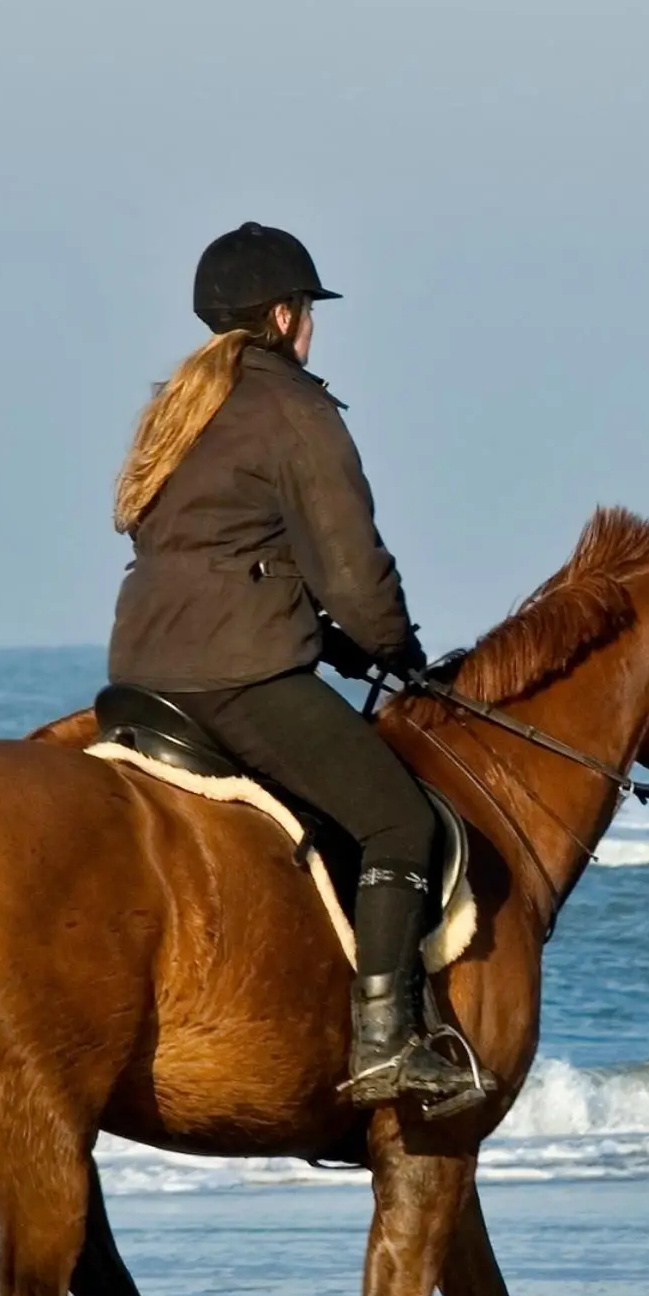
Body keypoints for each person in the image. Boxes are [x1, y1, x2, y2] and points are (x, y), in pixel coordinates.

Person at [109, 223, 487, 1112]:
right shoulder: (295, 408)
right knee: (401, 822)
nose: (310, 326)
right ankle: (387, 1040)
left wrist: (335, 642)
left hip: (141, 670)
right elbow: (353, 572)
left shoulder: (182, 407)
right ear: (284, 316)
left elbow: (225, 554)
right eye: (308, 311)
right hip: (238, 680)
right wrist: (397, 651)